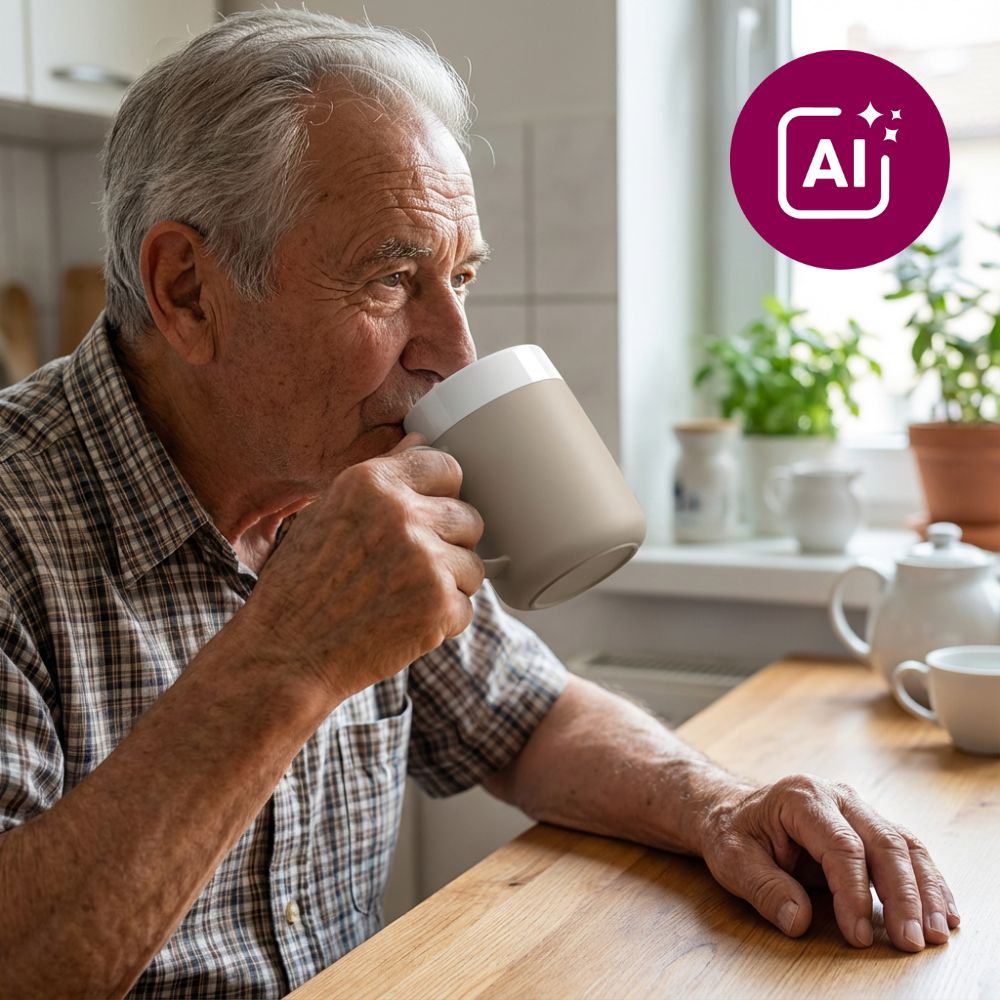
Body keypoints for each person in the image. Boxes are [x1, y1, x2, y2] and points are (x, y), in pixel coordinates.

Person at [0, 9, 958, 998]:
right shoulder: (14, 521)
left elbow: (530, 720)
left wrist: (717, 806)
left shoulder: (335, 475)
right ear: (189, 290)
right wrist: (289, 657)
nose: (454, 352)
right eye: (389, 277)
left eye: (458, 276)